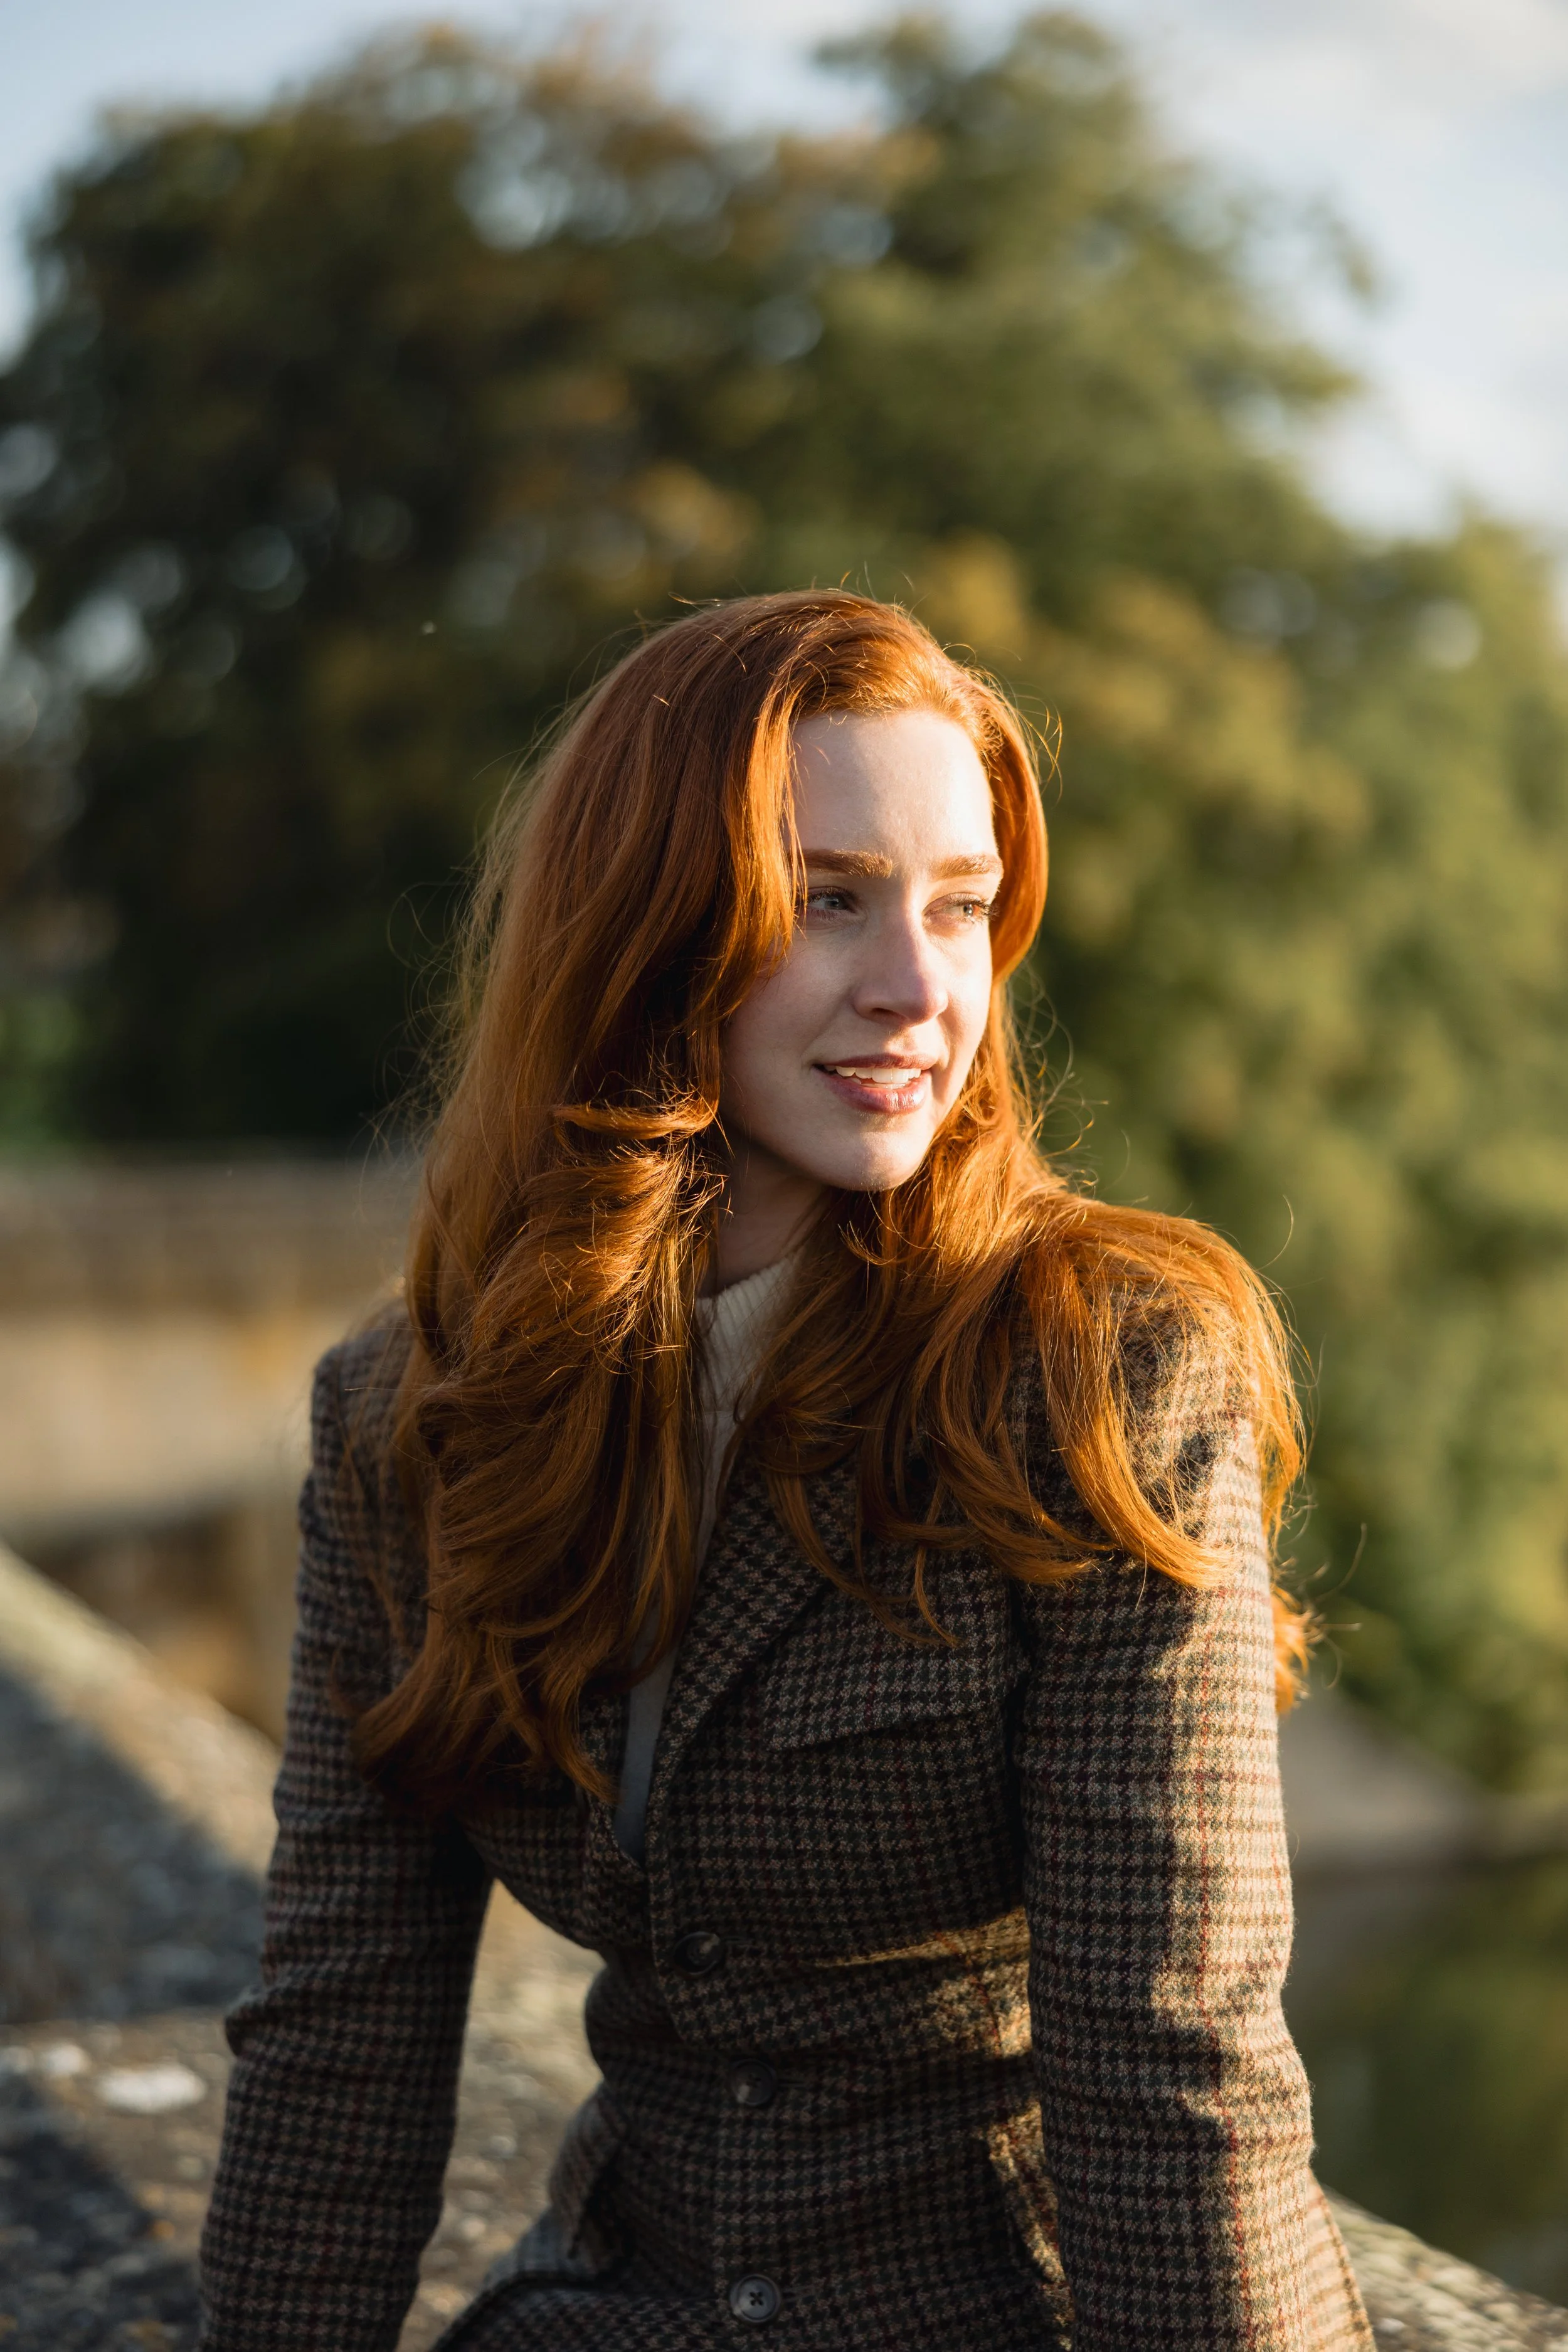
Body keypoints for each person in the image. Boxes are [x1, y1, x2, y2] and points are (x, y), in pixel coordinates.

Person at [197, 590, 1371, 2351]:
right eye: (830, 898)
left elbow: (1172, 2057)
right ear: (644, 926)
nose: (918, 988)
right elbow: (342, 2021)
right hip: (608, 2312)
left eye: (961, 909)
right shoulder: (403, 1418)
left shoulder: (1101, 1366)